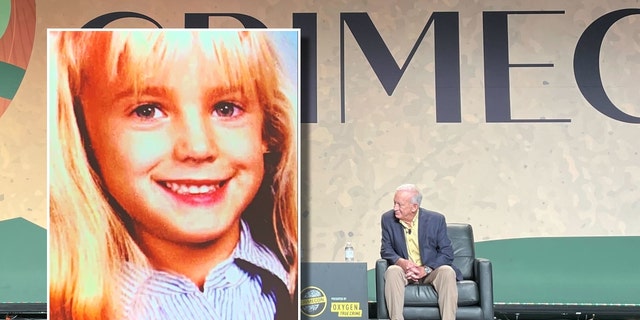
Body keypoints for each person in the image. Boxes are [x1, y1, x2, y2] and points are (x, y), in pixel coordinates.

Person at [48, 29, 298, 319]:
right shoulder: (56, 304)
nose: (198, 147)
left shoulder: (315, 282)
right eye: (147, 111)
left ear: (267, 128)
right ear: (83, 135)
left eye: (226, 108)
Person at [380, 184, 461, 320]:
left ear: (414, 207)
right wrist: (402, 263)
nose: (395, 208)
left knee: (447, 271)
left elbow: (447, 253)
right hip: (405, 272)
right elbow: (386, 249)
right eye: (394, 203)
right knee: (392, 271)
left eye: (400, 205)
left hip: (430, 271)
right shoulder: (387, 219)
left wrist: (426, 269)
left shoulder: (436, 220)